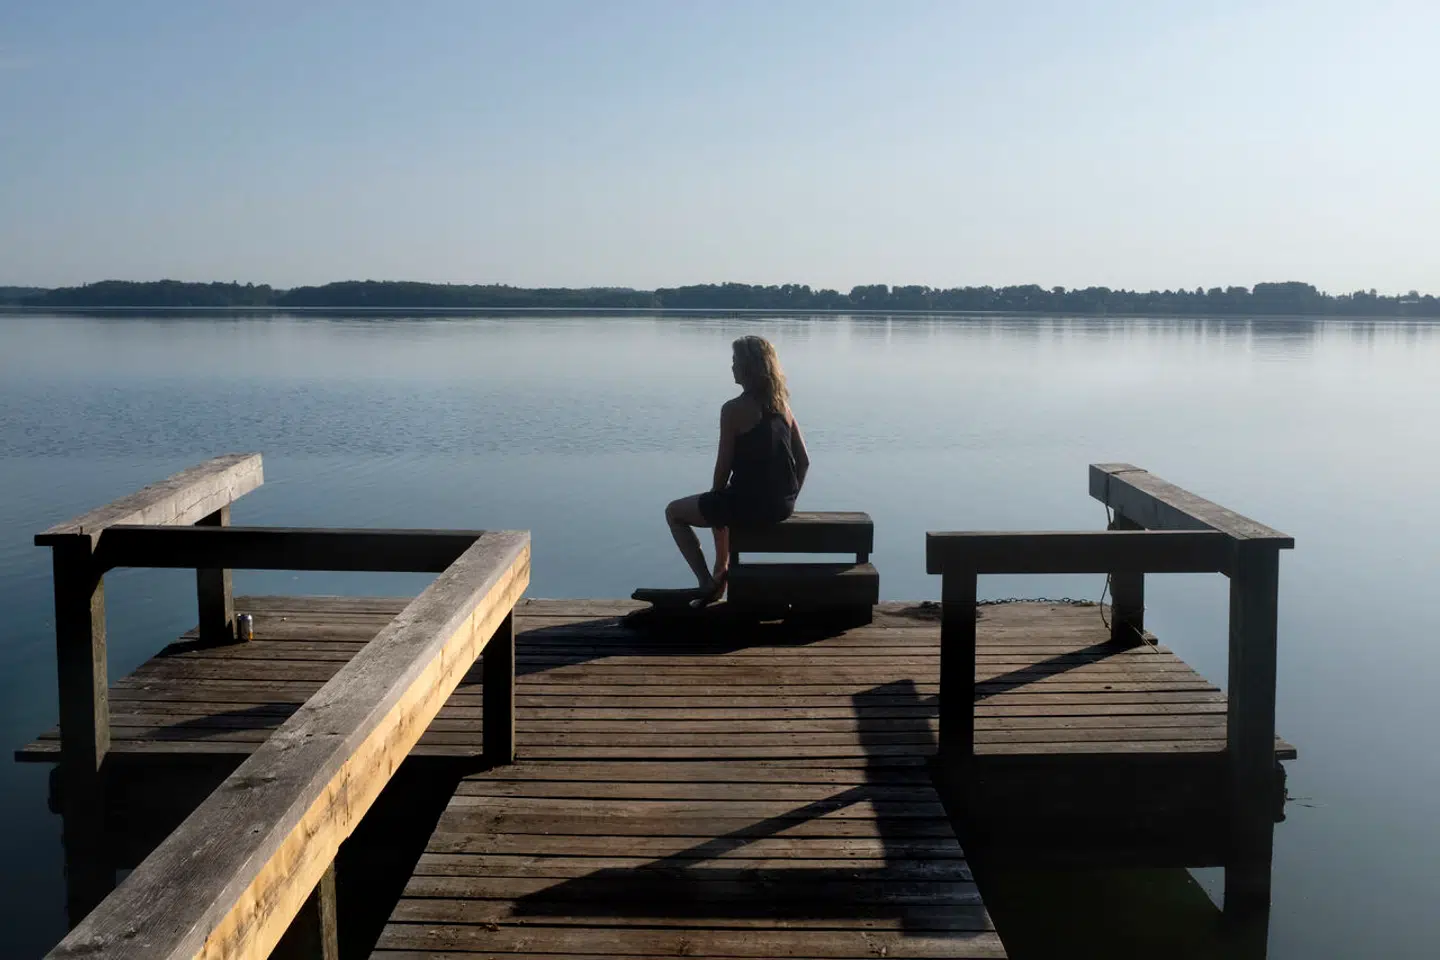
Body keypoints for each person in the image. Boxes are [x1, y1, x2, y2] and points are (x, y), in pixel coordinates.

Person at [665, 335, 810, 606]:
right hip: (780, 507)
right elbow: (804, 462)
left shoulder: (733, 410)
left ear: (748, 368)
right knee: (721, 504)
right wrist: (789, 498)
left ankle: (707, 582)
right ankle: (722, 572)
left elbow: (723, 469)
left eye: (735, 362)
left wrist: (713, 499)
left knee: (675, 512)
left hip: (749, 505)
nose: (731, 368)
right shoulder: (783, 408)